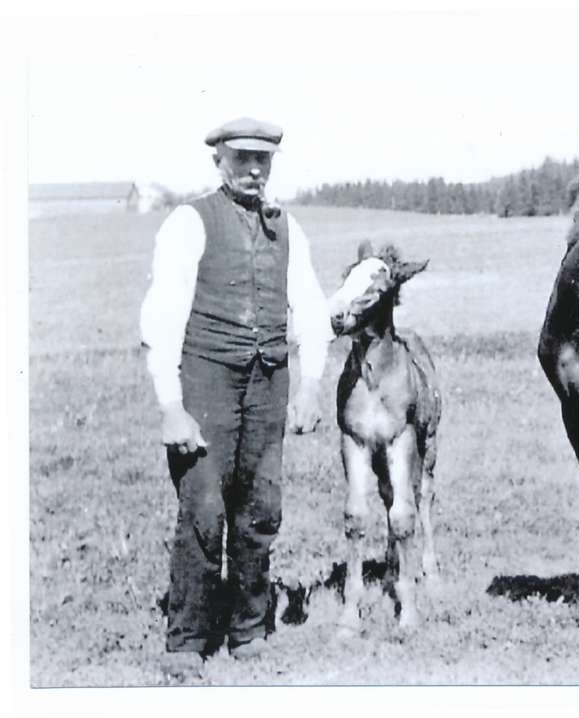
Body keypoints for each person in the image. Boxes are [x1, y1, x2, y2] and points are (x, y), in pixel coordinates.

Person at [140, 118, 333, 673]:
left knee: (260, 508)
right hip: (206, 382)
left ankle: (249, 628)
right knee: (203, 504)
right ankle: (188, 640)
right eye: (241, 158)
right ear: (218, 162)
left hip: (269, 382)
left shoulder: (288, 228)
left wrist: (312, 384)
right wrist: (172, 405)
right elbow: (163, 315)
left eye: (263, 160)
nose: (253, 170)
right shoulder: (189, 222)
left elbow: (311, 309)